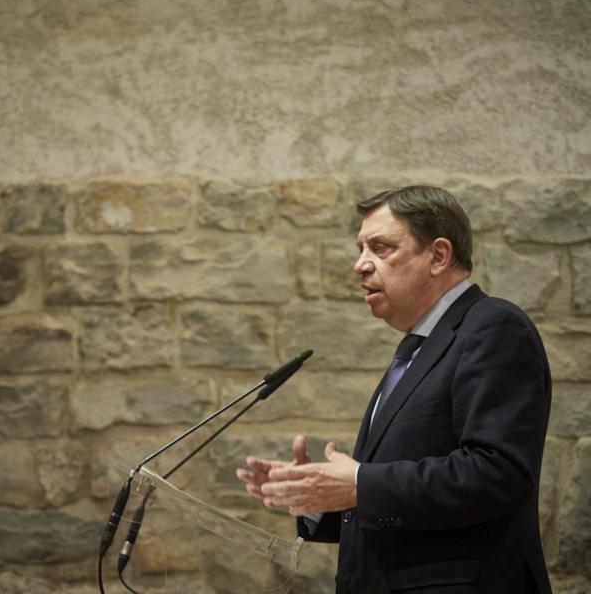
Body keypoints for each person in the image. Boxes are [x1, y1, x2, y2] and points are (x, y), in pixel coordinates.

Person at [236, 186, 552, 593]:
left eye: (380, 248)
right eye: (360, 249)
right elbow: (396, 502)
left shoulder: (492, 327)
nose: (360, 265)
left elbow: (499, 473)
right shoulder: (416, 350)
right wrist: (318, 496)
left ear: (438, 256)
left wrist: (359, 483)